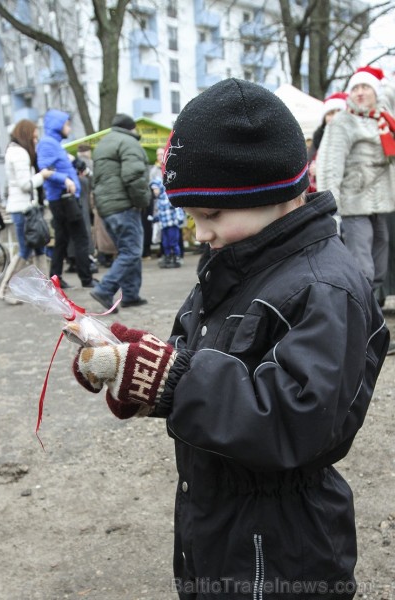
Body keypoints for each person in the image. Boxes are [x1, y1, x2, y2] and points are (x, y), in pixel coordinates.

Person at [71, 79, 389, 599]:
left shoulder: (327, 288)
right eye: (193, 217)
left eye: (211, 215)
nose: (201, 234)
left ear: (271, 193)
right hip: (216, 520)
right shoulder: (234, 265)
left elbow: (299, 422)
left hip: (284, 552)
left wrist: (169, 382)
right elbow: (195, 361)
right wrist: (129, 360)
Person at [316, 66, 395, 295]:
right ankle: (360, 310)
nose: (360, 92)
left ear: (375, 92)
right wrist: (329, 206)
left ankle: (370, 305)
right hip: (354, 201)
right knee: (363, 267)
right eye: (356, 88)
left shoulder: (383, 118)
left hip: (380, 202)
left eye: (366, 87)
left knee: (380, 261)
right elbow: (330, 164)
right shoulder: (343, 121)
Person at [90, 113, 150, 313]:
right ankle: (105, 289)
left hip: (106, 207)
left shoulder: (102, 144)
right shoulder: (129, 142)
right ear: (132, 128)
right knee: (131, 251)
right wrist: (143, 201)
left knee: (127, 250)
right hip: (124, 206)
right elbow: (133, 176)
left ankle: (131, 295)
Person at [36, 109, 97, 289]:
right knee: (80, 238)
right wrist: (67, 179)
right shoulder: (48, 143)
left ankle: (56, 279)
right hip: (64, 198)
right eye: (67, 125)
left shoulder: (53, 143)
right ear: (57, 125)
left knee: (62, 240)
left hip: (62, 199)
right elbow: (44, 170)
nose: (69, 129)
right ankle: (86, 279)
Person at [0, 119, 54, 304]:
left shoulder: (15, 151)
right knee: (25, 250)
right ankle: (5, 290)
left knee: (39, 248)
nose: (36, 141)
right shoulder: (19, 153)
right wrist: (42, 175)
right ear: (27, 135)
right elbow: (25, 184)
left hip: (25, 208)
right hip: (23, 209)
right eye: (35, 137)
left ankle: (47, 291)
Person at [307, 92, 348, 193]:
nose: (333, 117)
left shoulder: (352, 136)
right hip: (322, 195)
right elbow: (307, 163)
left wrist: (321, 171)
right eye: (329, 114)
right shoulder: (318, 138)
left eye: (337, 112)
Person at [150, 177, 184, 268]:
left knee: (173, 241)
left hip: (172, 224)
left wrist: (180, 218)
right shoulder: (158, 200)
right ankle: (168, 256)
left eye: (156, 189)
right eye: (153, 190)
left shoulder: (168, 197)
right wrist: (155, 218)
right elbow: (160, 212)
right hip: (163, 225)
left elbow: (177, 208)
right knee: (165, 242)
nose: (154, 192)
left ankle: (177, 257)